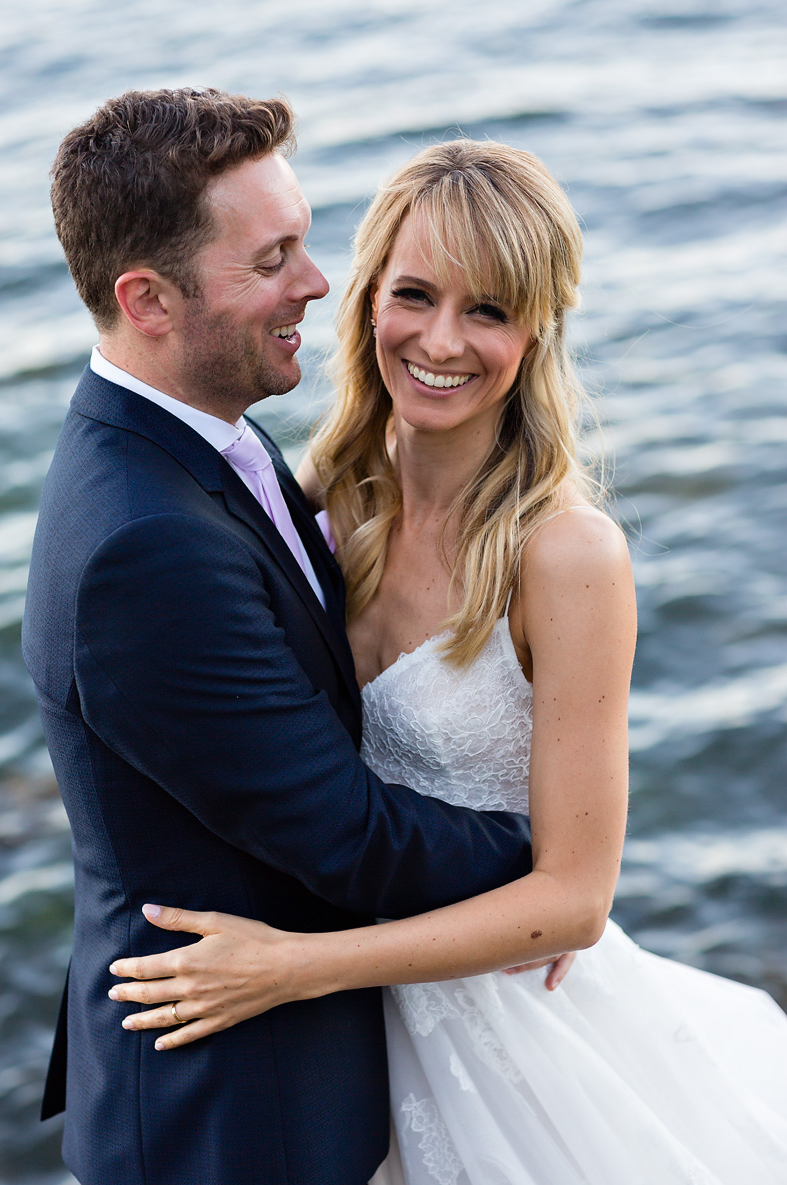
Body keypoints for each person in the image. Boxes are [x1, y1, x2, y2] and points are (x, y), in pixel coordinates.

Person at [110, 140, 787, 1184]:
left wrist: (293, 969)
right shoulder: (327, 497)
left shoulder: (565, 556)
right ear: (367, 296)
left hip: (513, 1035)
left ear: (538, 327)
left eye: (489, 310)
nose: (440, 341)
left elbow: (574, 901)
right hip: (343, 1050)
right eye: (414, 295)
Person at [21, 91, 571, 1185]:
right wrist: (550, 871)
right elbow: (348, 839)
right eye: (272, 258)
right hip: (239, 1119)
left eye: (308, 243)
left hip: (339, 1052)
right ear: (148, 299)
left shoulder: (213, 445)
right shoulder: (145, 543)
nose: (318, 284)